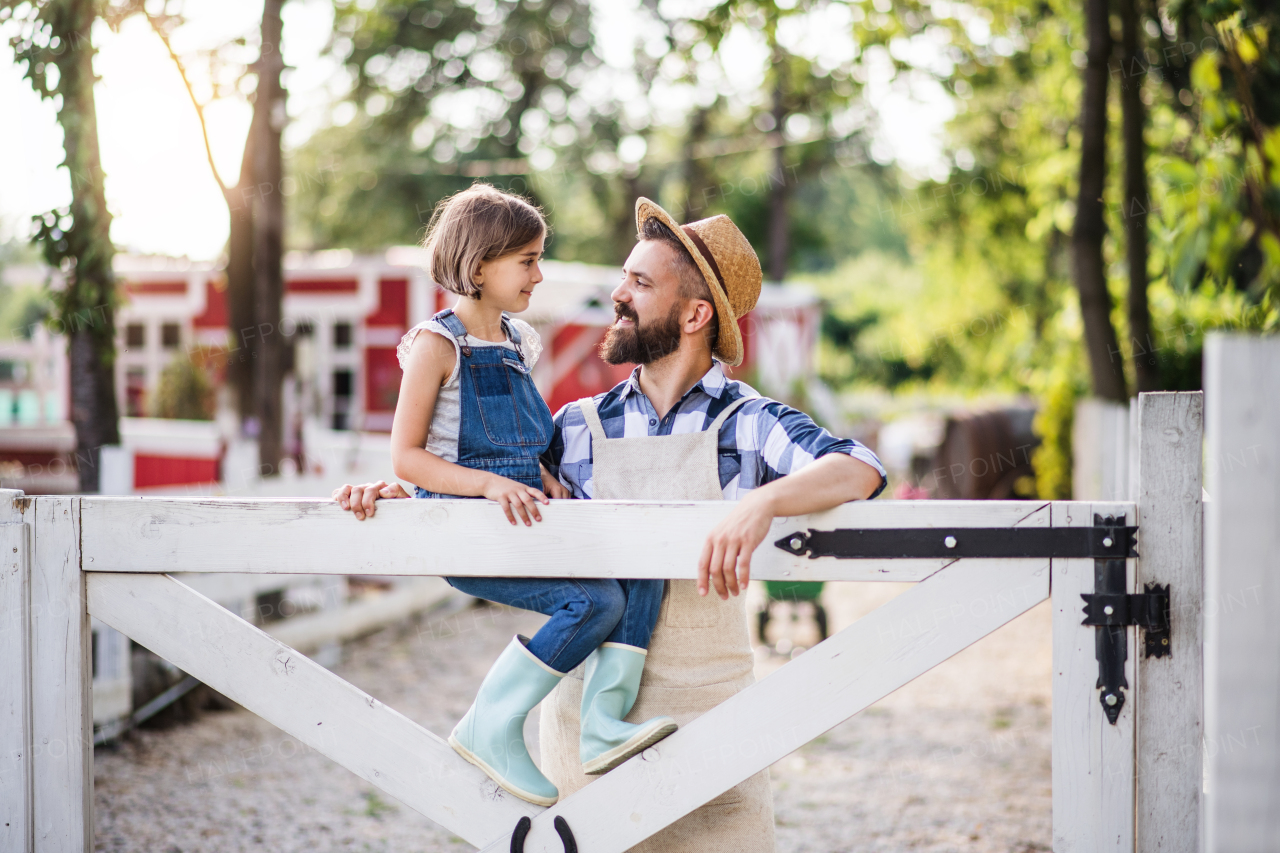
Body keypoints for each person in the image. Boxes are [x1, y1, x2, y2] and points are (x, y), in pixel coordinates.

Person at [335, 198, 886, 851]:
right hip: (582, 760)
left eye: (640, 283)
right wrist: (398, 486)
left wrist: (760, 502)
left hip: (709, 733)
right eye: (624, 277)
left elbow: (859, 467)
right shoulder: (575, 424)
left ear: (694, 314)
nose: (617, 295)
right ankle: (543, 720)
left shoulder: (750, 422)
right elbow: (479, 472)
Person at [384, 184, 675, 807]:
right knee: (592, 603)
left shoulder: (520, 343)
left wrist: (540, 468)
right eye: (528, 261)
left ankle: (602, 725)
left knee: (643, 563)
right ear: (478, 263)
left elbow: (523, 434)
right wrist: (490, 482)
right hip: (468, 525)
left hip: (523, 517)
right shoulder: (436, 346)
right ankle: (489, 725)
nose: (539, 275)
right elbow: (408, 457)